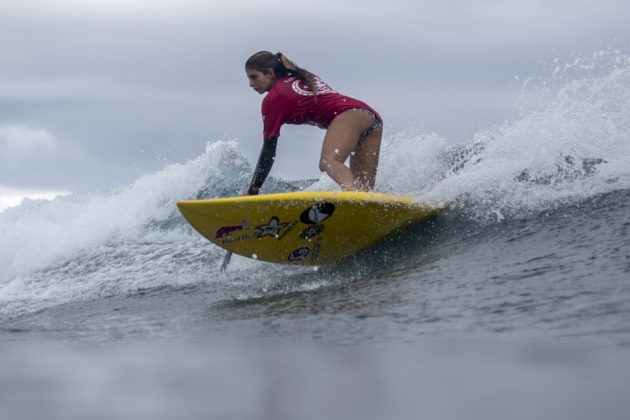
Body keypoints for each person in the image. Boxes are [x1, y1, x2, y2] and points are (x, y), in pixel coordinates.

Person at [244, 51, 383, 195]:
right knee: (364, 189)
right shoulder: (300, 76)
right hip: (371, 118)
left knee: (329, 161)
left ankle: (355, 198)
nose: (251, 84)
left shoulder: (274, 99)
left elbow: (269, 149)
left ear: (270, 73)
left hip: (349, 115)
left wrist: (254, 188)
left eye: (254, 77)